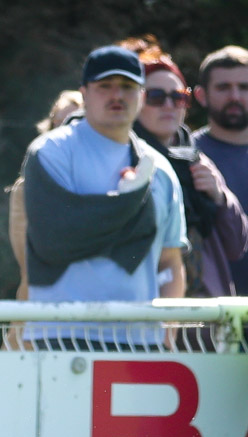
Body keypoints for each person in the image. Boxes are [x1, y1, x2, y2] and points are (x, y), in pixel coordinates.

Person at [21, 45, 186, 349]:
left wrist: (166, 334)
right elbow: (53, 240)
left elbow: (170, 262)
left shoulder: (160, 170)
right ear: (84, 94)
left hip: (139, 343)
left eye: (127, 86)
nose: (117, 95)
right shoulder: (51, 153)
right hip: (60, 337)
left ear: (141, 95)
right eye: (105, 86)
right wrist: (129, 198)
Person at [120, 38, 248, 300]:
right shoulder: (121, 159)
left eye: (177, 97)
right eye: (155, 97)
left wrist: (219, 197)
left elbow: (237, 245)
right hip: (146, 308)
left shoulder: (197, 160)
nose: (168, 105)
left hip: (209, 313)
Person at [8, 90, 84, 305]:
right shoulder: (26, 188)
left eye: (74, 123)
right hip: (38, 311)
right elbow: (29, 261)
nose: (64, 131)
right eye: (58, 124)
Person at [192, 45, 248, 295]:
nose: (235, 96)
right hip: (212, 309)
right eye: (223, 87)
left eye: (244, 87)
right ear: (201, 95)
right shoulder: (187, 156)